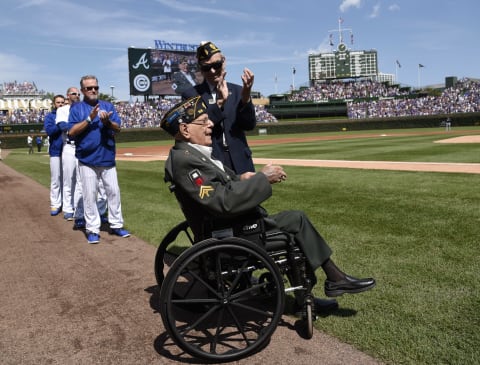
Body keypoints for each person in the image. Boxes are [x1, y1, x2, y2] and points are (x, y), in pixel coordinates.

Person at [160, 96, 376, 312]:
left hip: (226, 227)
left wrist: (242, 178)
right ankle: (329, 282)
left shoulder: (189, 154)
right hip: (229, 233)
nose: (211, 124)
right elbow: (222, 202)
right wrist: (263, 178)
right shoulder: (186, 160)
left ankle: (329, 282)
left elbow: (218, 187)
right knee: (296, 220)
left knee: (290, 221)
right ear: (185, 130)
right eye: (204, 121)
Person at [67, 75, 130, 244]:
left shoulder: (108, 106)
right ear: (82, 91)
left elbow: (118, 127)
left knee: (114, 193)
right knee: (89, 195)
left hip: (107, 157)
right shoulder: (77, 108)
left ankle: (116, 225)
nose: (93, 90)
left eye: (95, 87)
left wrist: (108, 122)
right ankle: (92, 229)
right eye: (89, 88)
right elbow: (71, 132)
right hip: (87, 158)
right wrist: (89, 119)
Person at [182, 41, 257, 174]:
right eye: (206, 67)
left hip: (241, 162)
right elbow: (197, 130)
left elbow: (249, 125)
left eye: (216, 65)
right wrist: (220, 103)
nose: (212, 71)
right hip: (211, 163)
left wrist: (245, 97)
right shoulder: (191, 95)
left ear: (224, 62)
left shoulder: (239, 90)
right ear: (200, 68)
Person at [43, 94, 66, 216]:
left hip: (69, 151)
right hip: (56, 151)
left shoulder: (69, 113)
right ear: (54, 104)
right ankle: (55, 204)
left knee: (68, 179)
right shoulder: (50, 116)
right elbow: (50, 131)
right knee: (56, 179)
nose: (61, 104)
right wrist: (61, 123)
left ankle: (67, 204)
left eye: (62, 102)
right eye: (58, 102)